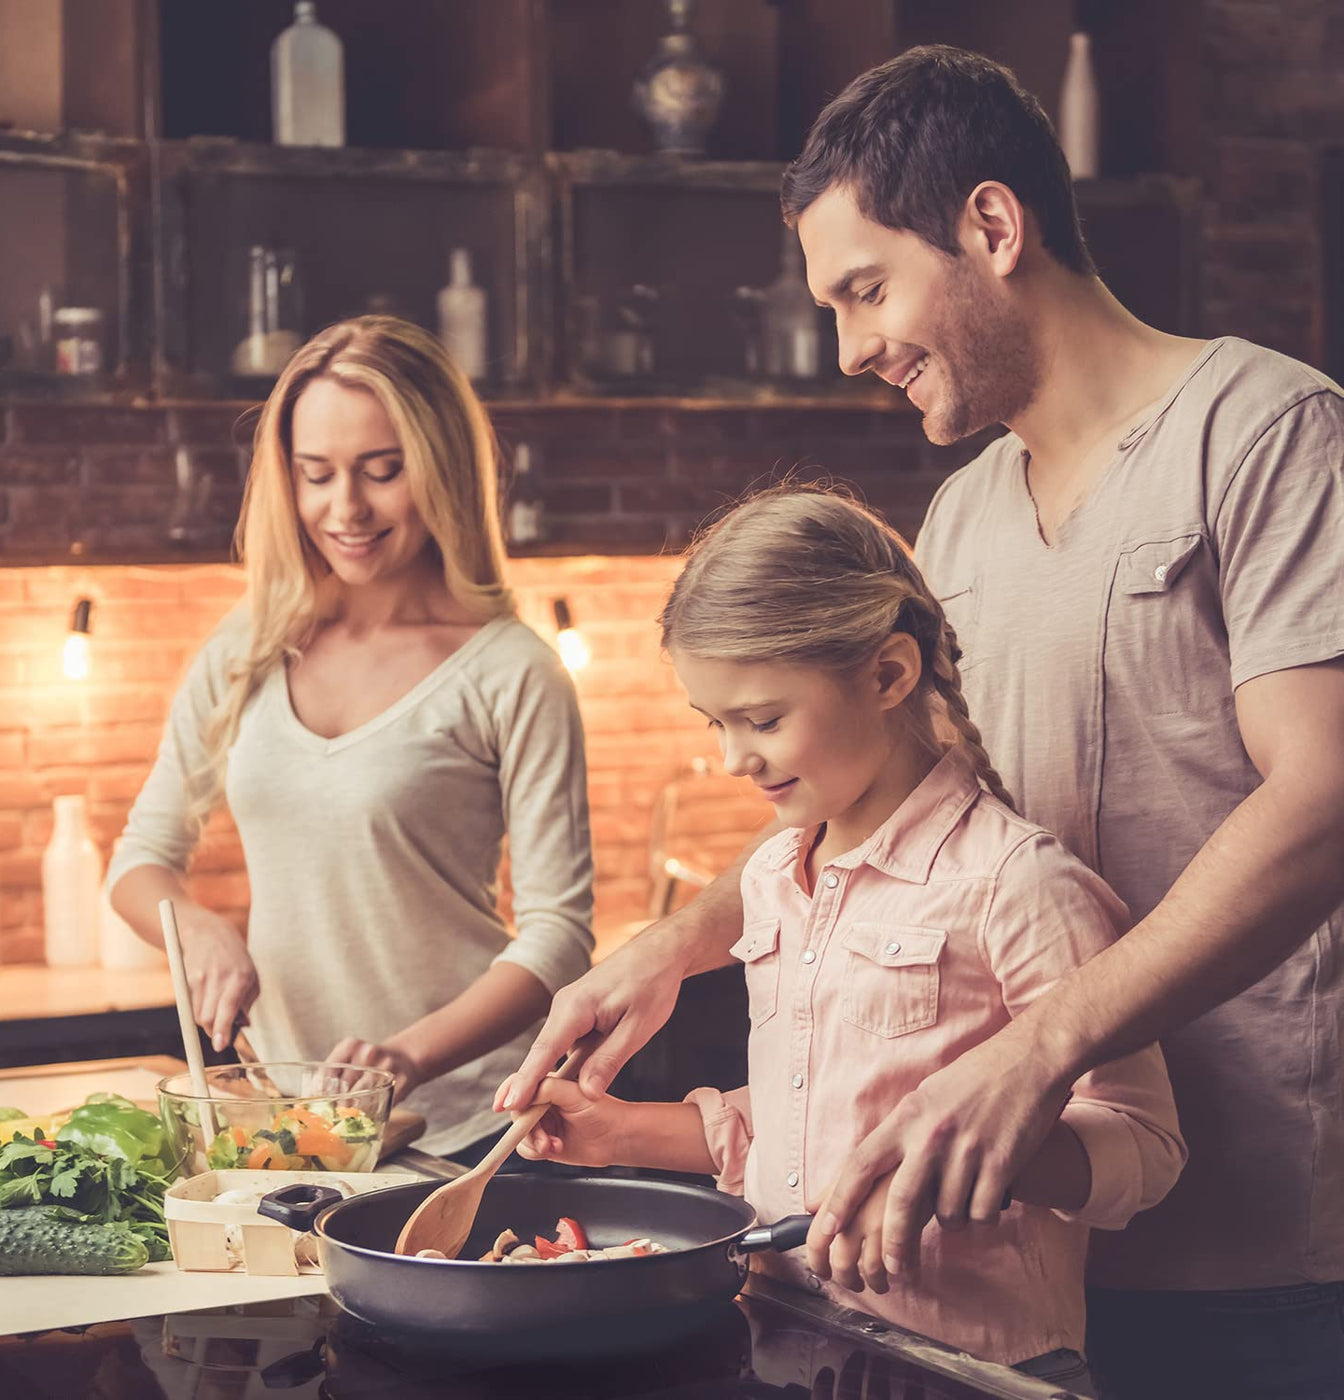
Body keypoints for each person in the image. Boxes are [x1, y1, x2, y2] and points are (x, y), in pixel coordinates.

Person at [501, 46, 1344, 1399]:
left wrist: (1040, 1049)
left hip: (1254, 1251)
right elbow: (908, 818)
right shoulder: (962, 516)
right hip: (1006, 1257)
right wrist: (675, 946)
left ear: (992, 228)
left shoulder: (1266, 433)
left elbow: (1324, 800)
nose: (851, 347)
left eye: (868, 288)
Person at [510, 488, 1184, 1389]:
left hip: (980, 1368)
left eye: (763, 719)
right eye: (715, 722)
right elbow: (800, 1125)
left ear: (888, 676)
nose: (732, 759)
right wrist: (623, 1133)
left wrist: (981, 1150)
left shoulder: (1016, 885)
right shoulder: (768, 883)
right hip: (790, 1340)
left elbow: (1145, 1148)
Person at [110, 316, 594, 1160]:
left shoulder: (512, 671)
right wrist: (195, 928)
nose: (347, 509)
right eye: (316, 475)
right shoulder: (246, 647)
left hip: (473, 1131)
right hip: (296, 1126)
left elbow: (559, 935)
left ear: (439, 468)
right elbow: (139, 860)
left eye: (382, 471)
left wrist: (406, 1056)